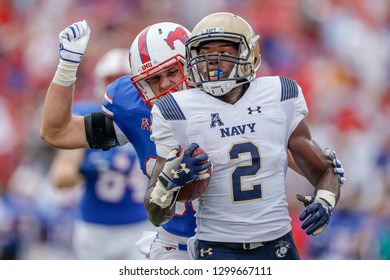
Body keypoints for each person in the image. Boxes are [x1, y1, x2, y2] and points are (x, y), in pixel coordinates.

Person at [146, 12, 343, 260]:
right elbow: (155, 214)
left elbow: (326, 170)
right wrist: (168, 182)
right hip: (217, 248)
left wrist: (324, 201)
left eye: (224, 51)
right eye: (205, 53)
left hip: (278, 244)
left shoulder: (279, 93)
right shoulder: (175, 109)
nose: (213, 60)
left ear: (249, 54)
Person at [40, 20, 197, 260]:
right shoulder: (134, 111)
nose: (166, 84)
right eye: (154, 78)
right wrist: (67, 66)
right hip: (171, 241)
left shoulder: (223, 99)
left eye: (173, 71)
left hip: (233, 238)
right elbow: (56, 132)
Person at [49, 48, 152, 260]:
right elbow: (61, 177)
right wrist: (87, 168)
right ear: (99, 83)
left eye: (126, 80)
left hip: (141, 226)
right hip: (96, 229)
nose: (119, 87)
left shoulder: (154, 116)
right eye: (111, 80)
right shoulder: (87, 116)